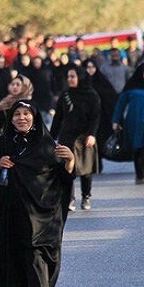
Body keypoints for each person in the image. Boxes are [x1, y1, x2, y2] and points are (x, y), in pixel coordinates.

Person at [0, 99, 75, 287]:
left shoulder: (47, 144)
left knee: (36, 253)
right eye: (17, 114)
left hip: (42, 213)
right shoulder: (3, 143)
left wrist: (70, 162)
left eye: (26, 114)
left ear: (35, 117)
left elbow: (63, 178)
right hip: (11, 213)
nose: (21, 118)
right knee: (13, 258)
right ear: (10, 119)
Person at [50, 66, 100, 211]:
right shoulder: (65, 95)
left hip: (84, 138)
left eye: (73, 76)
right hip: (67, 137)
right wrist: (51, 138)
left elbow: (95, 117)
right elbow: (58, 118)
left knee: (85, 169)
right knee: (68, 168)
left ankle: (86, 196)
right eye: (69, 77)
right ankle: (69, 198)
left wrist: (92, 134)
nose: (70, 79)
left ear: (80, 77)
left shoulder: (92, 95)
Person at [0, 75, 34, 141]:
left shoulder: (29, 104)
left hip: (27, 141)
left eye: (18, 84)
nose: (15, 86)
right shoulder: (5, 102)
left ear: (25, 87)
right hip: (7, 141)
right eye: (13, 84)